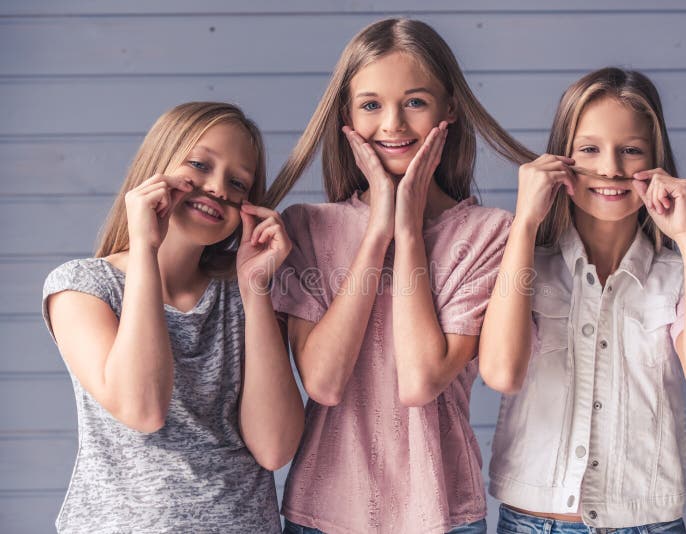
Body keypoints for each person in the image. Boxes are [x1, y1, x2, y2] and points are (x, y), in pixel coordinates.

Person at [264, 18, 537, 534]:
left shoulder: (489, 235)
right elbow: (322, 382)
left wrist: (408, 230)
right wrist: (376, 235)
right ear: (345, 115)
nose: (392, 124)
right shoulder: (307, 229)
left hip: (442, 513)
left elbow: (422, 379)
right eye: (371, 105)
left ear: (448, 110)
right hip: (322, 514)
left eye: (414, 102)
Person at [480, 68, 686, 533]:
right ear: (561, 157)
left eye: (631, 150)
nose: (611, 169)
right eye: (590, 149)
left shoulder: (677, 274)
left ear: (657, 161)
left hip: (648, 523)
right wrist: (523, 223)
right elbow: (501, 371)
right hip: (532, 523)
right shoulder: (524, 265)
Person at [42, 102, 304, 533]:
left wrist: (255, 290)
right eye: (200, 164)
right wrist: (144, 248)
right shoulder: (82, 288)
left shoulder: (247, 296)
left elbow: (274, 449)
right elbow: (142, 408)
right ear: (156, 165)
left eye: (238, 182)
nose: (218, 188)